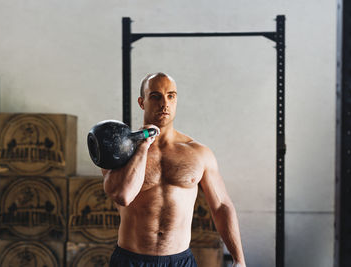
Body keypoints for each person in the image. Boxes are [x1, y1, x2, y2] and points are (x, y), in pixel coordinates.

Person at [102, 72, 246, 267]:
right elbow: (123, 195)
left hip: (179, 261)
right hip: (131, 260)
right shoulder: (120, 151)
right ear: (141, 102)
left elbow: (221, 207)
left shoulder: (198, 152)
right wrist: (143, 145)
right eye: (156, 96)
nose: (164, 103)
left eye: (171, 96)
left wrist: (239, 260)